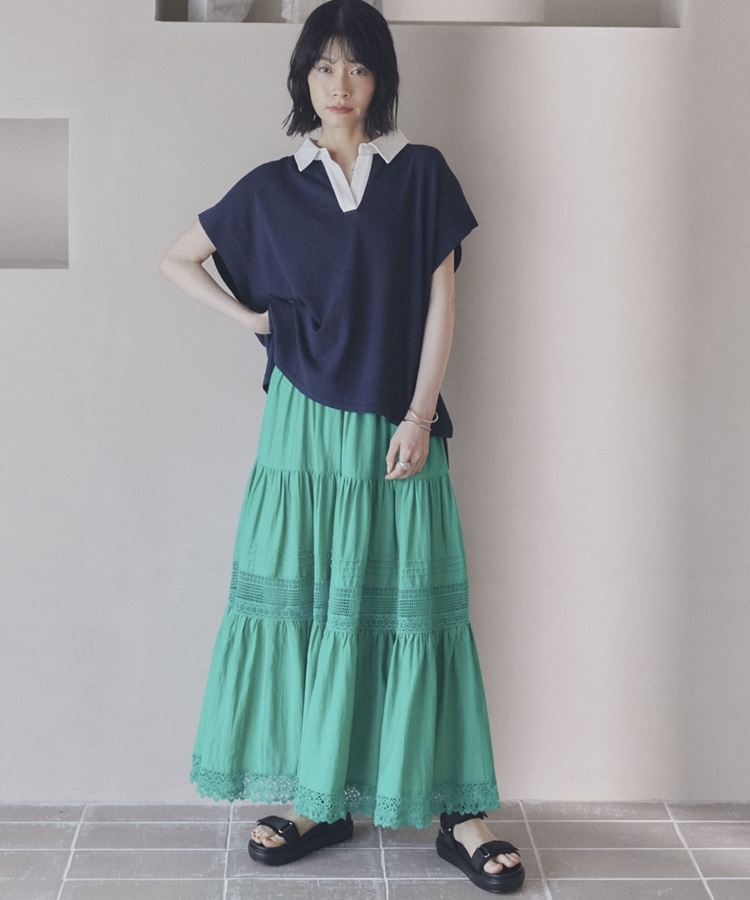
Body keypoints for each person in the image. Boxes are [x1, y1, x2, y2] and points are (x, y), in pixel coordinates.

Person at [160, 0, 524, 893]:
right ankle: (319, 798)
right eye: (323, 66)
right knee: (312, 606)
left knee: (417, 607)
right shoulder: (272, 187)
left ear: (381, 79)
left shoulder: (420, 174)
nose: (340, 83)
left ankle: (459, 813)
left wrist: (419, 414)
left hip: (397, 421)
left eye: (357, 66)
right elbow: (177, 258)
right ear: (303, 77)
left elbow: (442, 303)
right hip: (300, 431)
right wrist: (255, 321)